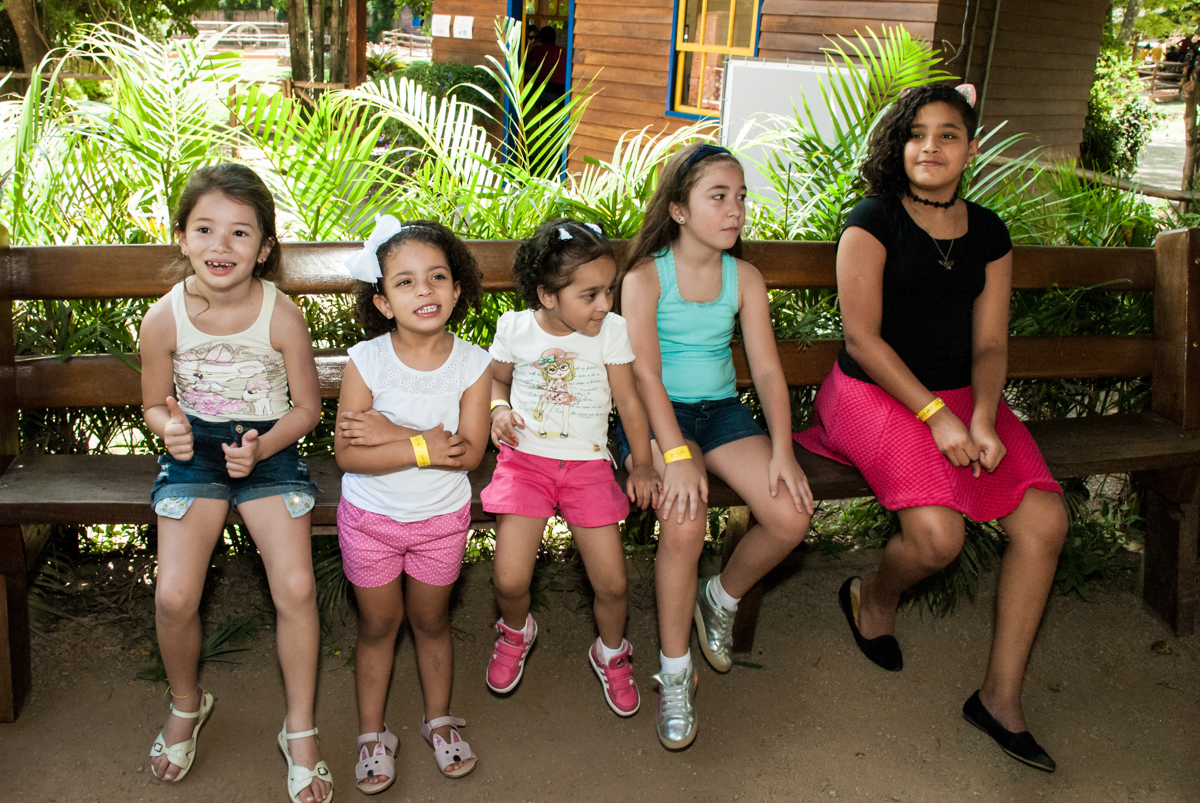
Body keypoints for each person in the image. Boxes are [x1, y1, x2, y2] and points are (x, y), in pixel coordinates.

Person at [793, 83, 1068, 772]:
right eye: (917, 133)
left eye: (948, 134)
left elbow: (990, 345)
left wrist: (979, 414)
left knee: (1045, 521)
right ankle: (871, 596)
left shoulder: (990, 232)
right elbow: (862, 340)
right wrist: (938, 416)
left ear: (970, 149)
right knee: (937, 537)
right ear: (900, 144)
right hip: (871, 391)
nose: (931, 146)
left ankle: (1000, 697)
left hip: (961, 396)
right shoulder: (872, 220)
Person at [140, 164, 331, 803]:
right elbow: (154, 404)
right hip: (195, 450)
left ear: (265, 248)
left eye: (240, 233)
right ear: (182, 237)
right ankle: (188, 703)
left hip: (270, 448)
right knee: (173, 596)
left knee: (297, 588)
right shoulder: (163, 319)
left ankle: (299, 728)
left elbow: (307, 409)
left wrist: (262, 448)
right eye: (205, 230)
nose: (221, 247)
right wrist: (169, 427)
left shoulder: (281, 315)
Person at [618, 143, 815, 749]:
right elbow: (646, 376)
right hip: (661, 417)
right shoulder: (646, 277)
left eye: (741, 197)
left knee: (790, 513)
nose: (735, 210)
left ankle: (720, 595)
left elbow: (769, 370)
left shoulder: (744, 278)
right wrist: (672, 454)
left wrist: (782, 449)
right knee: (682, 523)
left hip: (724, 413)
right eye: (718, 197)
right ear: (679, 209)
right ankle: (676, 675)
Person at [336, 216, 491, 788]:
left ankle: (438, 721)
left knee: (430, 621)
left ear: (457, 289)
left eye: (436, 277)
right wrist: (427, 443)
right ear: (381, 301)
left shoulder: (472, 365)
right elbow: (350, 456)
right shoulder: (367, 361)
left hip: (440, 523)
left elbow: (469, 452)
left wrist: (395, 438)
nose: (423, 291)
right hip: (369, 520)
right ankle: (373, 734)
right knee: (378, 626)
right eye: (404, 282)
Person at [482, 218, 659, 718]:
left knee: (614, 584)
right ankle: (516, 630)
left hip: (587, 467)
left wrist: (642, 463)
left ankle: (611, 651)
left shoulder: (611, 332)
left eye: (609, 290)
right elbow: (497, 383)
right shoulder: (515, 329)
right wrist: (498, 410)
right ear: (547, 294)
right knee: (510, 580)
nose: (605, 304)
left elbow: (628, 399)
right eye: (590, 294)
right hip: (526, 463)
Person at [526, 25, 567, 107]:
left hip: (545, 89)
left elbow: (525, 66)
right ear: (554, 37)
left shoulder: (537, 50)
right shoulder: (564, 51)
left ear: (540, 38)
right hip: (563, 90)